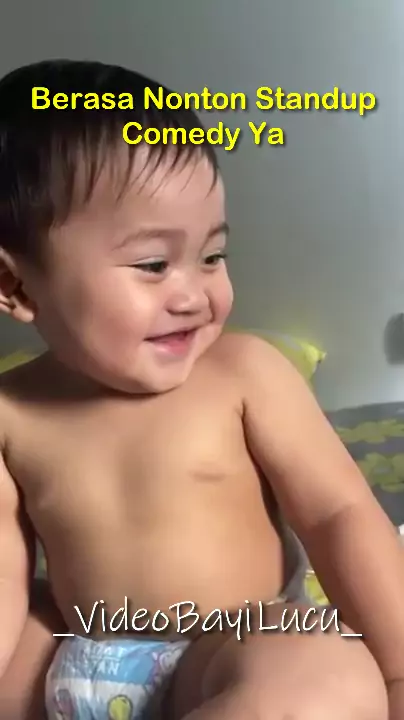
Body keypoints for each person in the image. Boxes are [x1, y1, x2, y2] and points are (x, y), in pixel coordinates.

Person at [0, 58, 402, 720]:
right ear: (14, 286)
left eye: (212, 256)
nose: (194, 294)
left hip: (234, 648)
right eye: (154, 264)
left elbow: (339, 516)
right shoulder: (12, 413)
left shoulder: (246, 373)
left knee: (325, 675)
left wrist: (397, 672)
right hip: (81, 653)